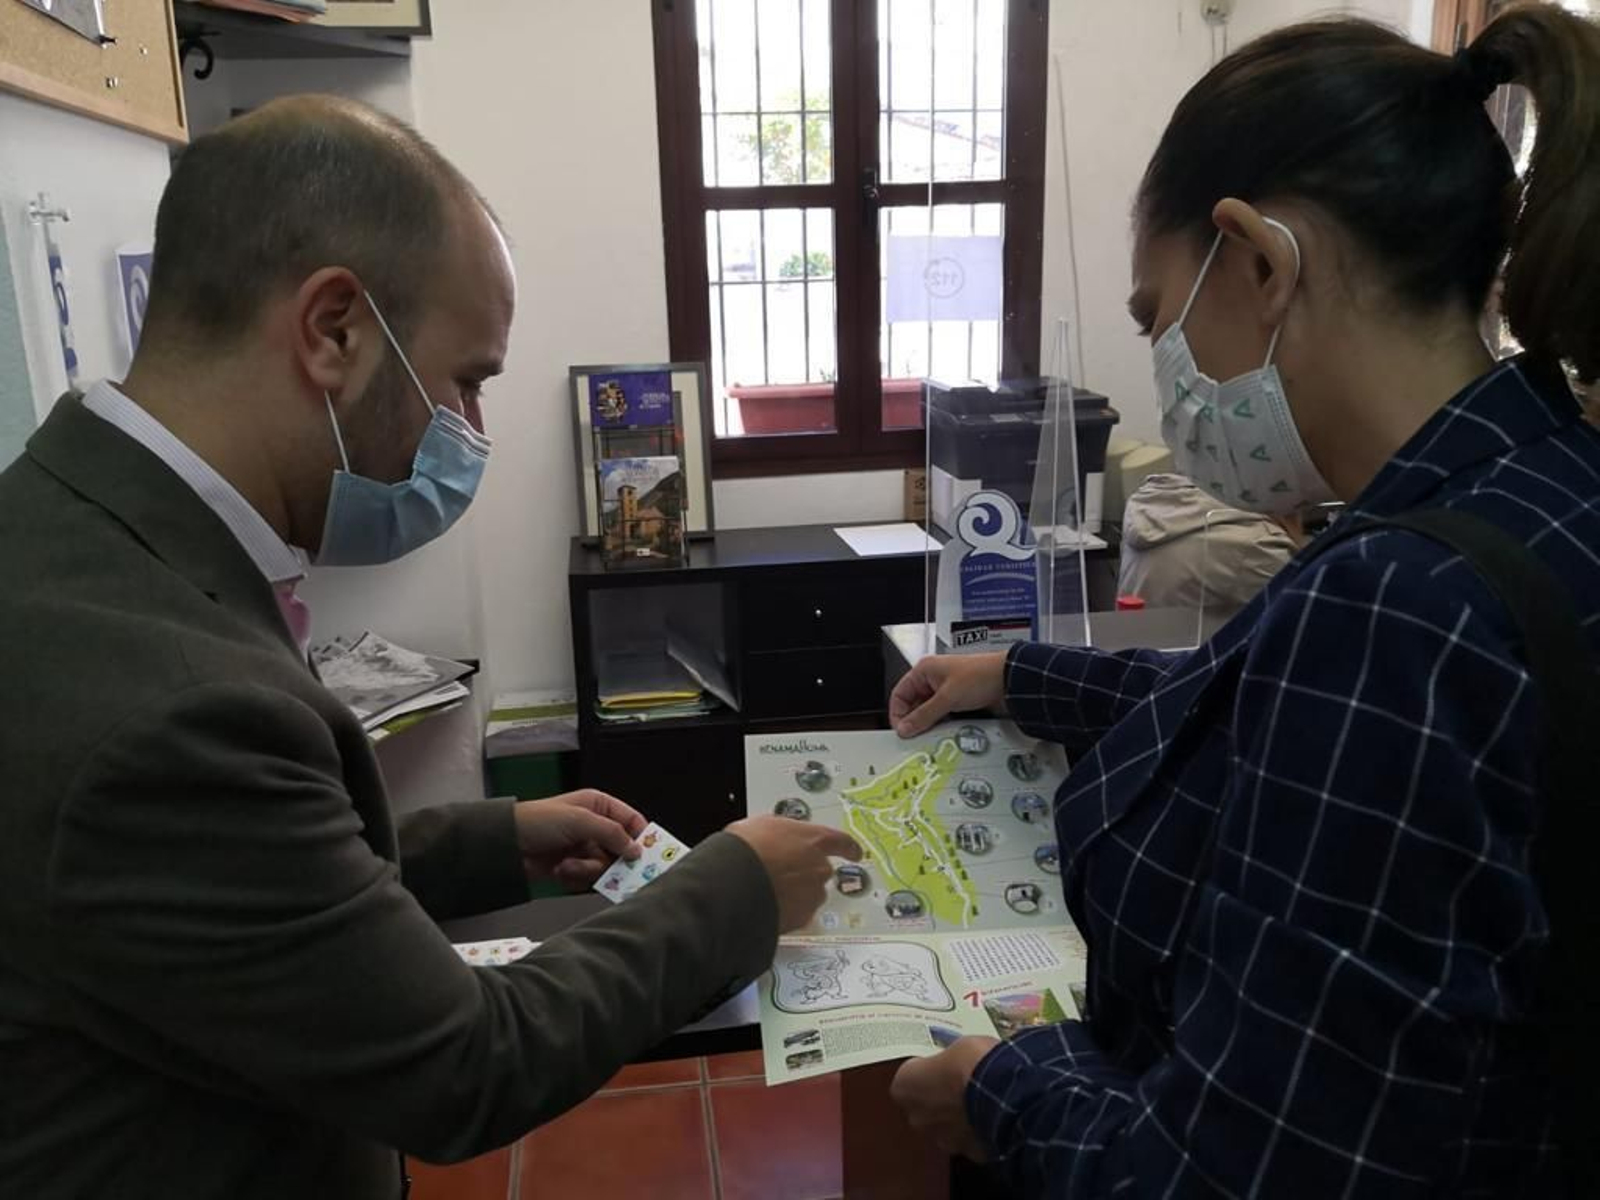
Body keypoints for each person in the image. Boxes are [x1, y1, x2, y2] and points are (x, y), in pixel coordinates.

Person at [0, 96, 858, 1198]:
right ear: (334, 331)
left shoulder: (73, 532)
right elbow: (467, 1062)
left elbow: (249, 899)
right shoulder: (167, 707)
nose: (475, 434)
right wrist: (735, 887)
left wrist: (484, 841)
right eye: (467, 380)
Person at [888, 8, 1600, 1196]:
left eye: (1154, 315)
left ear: (1261, 263)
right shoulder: (1545, 491)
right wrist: (1020, 674)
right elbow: (1271, 717)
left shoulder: (1398, 606)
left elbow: (1233, 1176)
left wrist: (1001, 1088)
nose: (1163, 369)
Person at [1117, 472, 1301, 611]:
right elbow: (1300, 625)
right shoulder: (1256, 545)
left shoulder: (1152, 507)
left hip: (1147, 652)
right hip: (1199, 657)